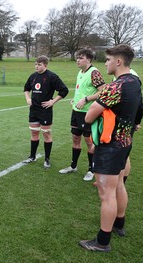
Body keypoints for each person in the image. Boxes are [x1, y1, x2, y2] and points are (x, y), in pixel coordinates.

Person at [79, 44, 142, 252]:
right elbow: (139, 110)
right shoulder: (134, 82)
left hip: (111, 144)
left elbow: (90, 115)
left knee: (107, 193)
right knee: (119, 186)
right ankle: (119, 225)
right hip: (125, 142)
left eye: (107, 60)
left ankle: (102, 241)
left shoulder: (116, 86)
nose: (105, 63)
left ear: (118, 61)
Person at [58, 48, 105, 181]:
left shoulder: (94, 72)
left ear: (88, 59)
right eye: (77, 57)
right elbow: (82, 90)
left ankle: (92, 169)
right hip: (76, 112)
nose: (77, 60)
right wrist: (76, 99)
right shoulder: (80, 72)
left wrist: (85, 99)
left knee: (89, 141)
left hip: (88, 113)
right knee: (75, 138)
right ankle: (73, 166)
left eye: (81, 57)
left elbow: (103, 92)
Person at [22, 55, 69, 168]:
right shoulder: (33, 76)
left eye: (39, 64)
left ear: (45, 65)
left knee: (46, 134)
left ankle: (47, 159)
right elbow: (26, 88)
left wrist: (53, 101)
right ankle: (32, 157)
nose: (36, 66)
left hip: (45, 111)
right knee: (34, 133)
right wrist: (28, 98)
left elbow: (64, 90)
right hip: (33, 110)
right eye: (35, 64)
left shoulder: (52, 76)